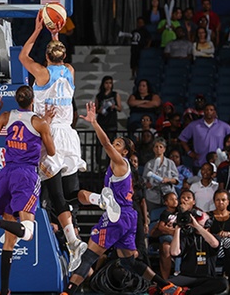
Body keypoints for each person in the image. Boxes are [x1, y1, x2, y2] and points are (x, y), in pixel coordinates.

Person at [61, 102, 184, 295]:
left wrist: (94, 122)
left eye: (118, 144)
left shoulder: (121, 164)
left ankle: (68, 292)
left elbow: (105, 144)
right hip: (128, 216)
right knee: (129, 261)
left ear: (125, 152)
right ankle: (167, 286)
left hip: (116, 216)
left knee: (88, 257)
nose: (113, 145)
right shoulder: (116, 167)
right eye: (115, 142)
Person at [18, 12, 88, 271]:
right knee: (71, 193)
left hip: (52, 133)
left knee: (56, 194)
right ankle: (97, 200)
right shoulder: (70, 70)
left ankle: (73, 242)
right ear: (64, 57)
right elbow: (58, 57)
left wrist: (38, 29)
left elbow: (22, 57)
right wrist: (54, 35)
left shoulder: (41, 73)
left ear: (46, 57)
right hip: (70, 135)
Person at [0, 86, 55, 295]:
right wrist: (48, 124)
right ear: (32, 100)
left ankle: (4, 290)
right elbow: (52, 151)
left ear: (17, 101)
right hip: (26, 175)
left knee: (10, 240)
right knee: (27, 233)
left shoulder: (6, 115)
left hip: (6, 174)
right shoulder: (39, 121)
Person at [169, 195, 228, 295]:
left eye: (200, 217)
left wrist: (198, 226)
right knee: (164, 284)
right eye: (195, 218)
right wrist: (178, 228)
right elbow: (174, 252)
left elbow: (214, 244)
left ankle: (189, 293)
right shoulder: (187, 237)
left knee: (222, 283)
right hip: (187, 277)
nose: (196, 219)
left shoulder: (213, 237)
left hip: (207, 277)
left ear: (208, 222)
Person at [179, 104, 230, 170]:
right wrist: (189, 152)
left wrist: (226, 152)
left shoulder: (224, 126)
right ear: (203, 112)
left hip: (219, 163)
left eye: (211, 110)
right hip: (200, 163)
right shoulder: (194, 125)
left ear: (215, 112)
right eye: (206, 110)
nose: (209, 112)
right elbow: (182, 138)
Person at [208, 189, 230, 288]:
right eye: (217, 200)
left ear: (228, 202)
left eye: (223, 200)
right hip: (214, 244)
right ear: (214, 201)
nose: (220, 202)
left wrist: (228, 233)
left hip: (229, 244)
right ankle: (211, 281)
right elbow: (206, 232)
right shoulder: (208, 216)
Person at [143, 137, 179, 211]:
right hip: (153, 197)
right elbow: (144, 180)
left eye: (160, 147)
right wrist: (147, 184)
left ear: (164, 149)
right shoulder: (149, 164)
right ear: (153, 149)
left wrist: (168, 179)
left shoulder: (170, 163)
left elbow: (176, 180)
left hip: (168, 195)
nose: (158, 149)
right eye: (156, 147)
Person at [95, 76, 122, 168]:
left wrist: (113, 106)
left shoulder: (115, 94)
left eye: (110, 83)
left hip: (111, 122)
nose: (108, 85)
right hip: (102, 122)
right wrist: (101, 109)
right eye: (106, 83)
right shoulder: (99, 96)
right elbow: (96, 109)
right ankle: (98, 164)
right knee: (98, 145)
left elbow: (120, 108)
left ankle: (108, 165)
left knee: (110, 145)